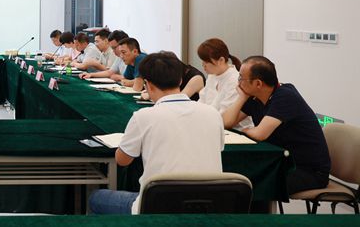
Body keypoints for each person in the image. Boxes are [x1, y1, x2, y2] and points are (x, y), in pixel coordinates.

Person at [88, 52, 224, 214]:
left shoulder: (144, 116)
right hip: (209, 206)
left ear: (148, 85)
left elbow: (122, 160)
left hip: (157, 205)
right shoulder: (212, 114)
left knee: (96, 197)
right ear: (180, 81)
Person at [222, 56, 330, 195]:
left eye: (241, 78)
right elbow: (225, 122)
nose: (238, 82)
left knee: (251, 184)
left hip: (307, 171)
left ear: (258, 83)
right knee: (239, 177)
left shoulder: (285, 96)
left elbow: (260, 134)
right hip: (281, 161)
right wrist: (241, 98)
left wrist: (245, 130)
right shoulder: (254, 97)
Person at [195, 38, 253, 130]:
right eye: (202, 61)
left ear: (221, 60)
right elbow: (202, 103)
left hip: (236, 130)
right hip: (214, 126)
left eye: (206, 62)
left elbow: (224, 117)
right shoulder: (212, 76)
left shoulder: (234, 80)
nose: (203, 65)